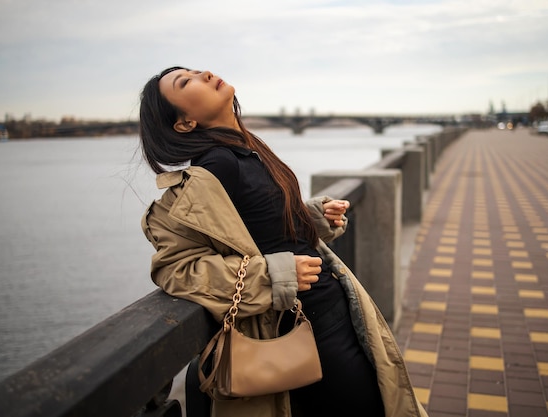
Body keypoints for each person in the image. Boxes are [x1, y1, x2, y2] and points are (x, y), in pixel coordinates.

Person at [138, 66, 428, 417]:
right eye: (185, 82)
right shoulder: (214, 168)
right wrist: (274, 275)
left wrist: (311, 216)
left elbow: (255, 226)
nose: (203, 74)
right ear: (183, 123)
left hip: (332, 314)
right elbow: (177, 268)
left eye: (195, 70)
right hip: (305, 331)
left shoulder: (246, 150)